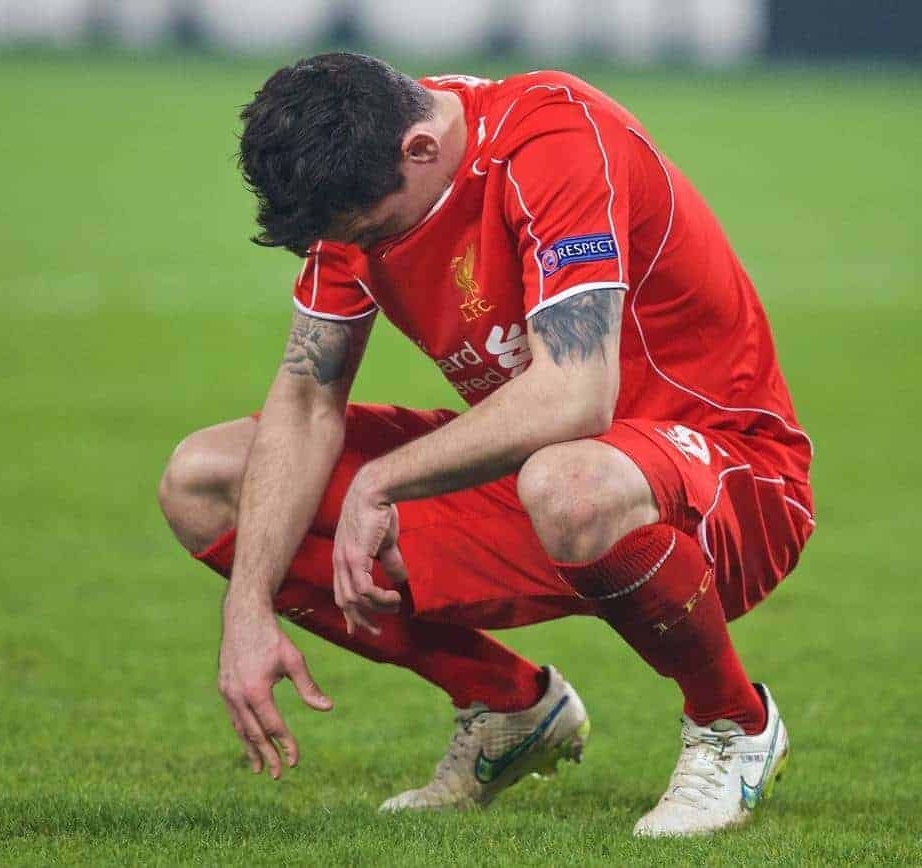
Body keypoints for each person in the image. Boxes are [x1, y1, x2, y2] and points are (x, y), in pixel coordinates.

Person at [158, 53, 813, 837]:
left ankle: (733, 724)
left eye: (373, 231)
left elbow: (576, 393)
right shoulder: (362, 176)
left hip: (729, 478)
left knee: (570, 485)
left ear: (421, 150)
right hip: (538, 470)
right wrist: (247, 604)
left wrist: (383, 483)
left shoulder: (553, 138)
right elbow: (303, 401)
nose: (365, 250)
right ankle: (509, 708)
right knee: (205, 480)